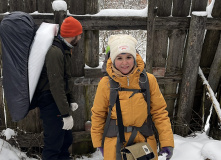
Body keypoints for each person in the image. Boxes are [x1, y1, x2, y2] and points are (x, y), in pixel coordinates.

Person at [91, 34, 174, 160]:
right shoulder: (106, 84)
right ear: (113, 60)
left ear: (135, 58)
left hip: (144, 143)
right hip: (114, 144)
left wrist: (167, 142)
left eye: (129, 57)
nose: (125, 63)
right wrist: (98, 143)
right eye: (119, 58)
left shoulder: (148, 80)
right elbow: (98, 115)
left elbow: (159, 112)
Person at [36, 16, 83, 160]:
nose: (80, 37)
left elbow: (66, 79)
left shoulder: (64, 49)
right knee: (53, 146)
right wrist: (65, 114)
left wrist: (72, 99)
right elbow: (56, 85)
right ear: (73, 35)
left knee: (65, 141)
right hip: (51, 103)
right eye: (79, 35)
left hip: (58, 103)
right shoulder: (55, 52)